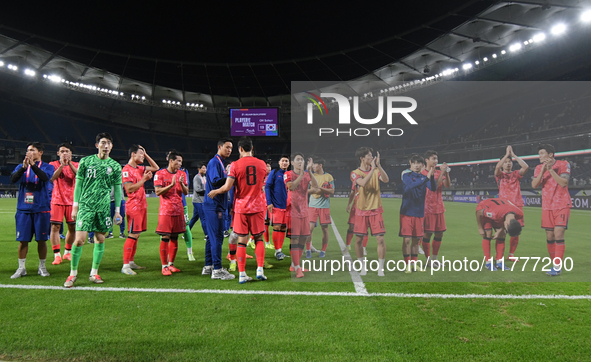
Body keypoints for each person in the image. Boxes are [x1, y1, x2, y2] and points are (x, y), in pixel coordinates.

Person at [64, 133, 122, 287]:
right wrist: (75, 206)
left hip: (103, 207)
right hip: (86, 206)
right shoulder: (86, 161)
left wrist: (117, 211)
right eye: (103, 142)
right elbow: (78, 185)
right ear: (97, 145)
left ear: (111, 146)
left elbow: (117, 190)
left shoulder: (115, 166)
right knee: (80, 240)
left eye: (109, 143)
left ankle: (94, 272)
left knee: (101, 239)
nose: (106, 145)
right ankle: (72, 274)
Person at [208, 137, 268, 283]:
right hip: (258, 206)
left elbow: (228, 187)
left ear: (240, 149)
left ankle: (242, 274)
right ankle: (260, 269)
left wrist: (215, 192)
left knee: (242, 240)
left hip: (241, 207)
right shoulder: (262, 165)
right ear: (251, 149)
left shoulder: (235, 165)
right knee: (259, 238)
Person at [11, 142, 55, 279]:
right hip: (24, 209)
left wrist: (33, 166)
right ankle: (21, 268)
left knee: (41, 240)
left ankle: (42, 267)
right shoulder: (21, 167)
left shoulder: (48, 167)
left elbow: (44, 178)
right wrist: (24, 168)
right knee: (23, 240)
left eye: (32, 150)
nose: (28, 152)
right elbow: (13, 179)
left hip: (41, 208)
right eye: (27, 150)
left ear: (40, 152)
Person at [532, 144, 571, 276]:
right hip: (547, 206)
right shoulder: (538, 168)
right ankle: (554, 262)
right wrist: (543, 170)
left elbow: (564, 183)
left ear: (550, 155)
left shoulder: (563, 164)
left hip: (561, 204)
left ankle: (557, 266)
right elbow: (534, 185)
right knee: (550, 236)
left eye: (542, 153)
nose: (540, 156)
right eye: (539, 154)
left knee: (558, 234)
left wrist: (551, 170)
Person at [120, 144, 159, 275]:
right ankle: (125, 265)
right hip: (134, 206)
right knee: (133, 235)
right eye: (140, 154)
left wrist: (146, 154)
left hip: (142, 205)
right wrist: (144, 179)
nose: (142, 157)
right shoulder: (126, 170)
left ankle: (131, 262)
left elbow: (156, 167)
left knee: (137, 235)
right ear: (133, 154)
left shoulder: (139, 168)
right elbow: (129, 189)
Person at [351, 147, 389, 276]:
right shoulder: (355, 173)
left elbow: (386, 180)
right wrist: (373, 169)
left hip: (376, 209)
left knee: (380, 239)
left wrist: (378, 166)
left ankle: (380, 268)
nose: (372, 158)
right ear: (362, 158)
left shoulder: (377, 170)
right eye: (369, 156)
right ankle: (362, 267)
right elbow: (362, 183)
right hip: (361, 210)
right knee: (358, 240)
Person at [202, 138, 235, 280]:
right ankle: (217, 269)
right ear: (220, 146)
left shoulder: (219, 162)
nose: (229, 150)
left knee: (211, 237)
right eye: (227, 147)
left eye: (231, 148)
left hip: (214, 204)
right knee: (217, 236)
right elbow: (215, 181)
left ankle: (208, 266)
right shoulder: (215, 162)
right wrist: (231, 176)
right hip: (215, 205)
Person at [154, 150, 188, 276]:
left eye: (181, 161)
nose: (180, 163)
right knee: (165, 237)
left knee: (175, 237)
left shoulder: (182, 174)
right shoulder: (160, 174)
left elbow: (186, 191)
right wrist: (171, 185)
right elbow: (158, 192)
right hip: (166, 211)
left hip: (178, 210)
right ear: (171, 161)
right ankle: (164, 266)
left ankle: (171, 264)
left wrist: (180, 184)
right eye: (178, 161)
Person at [400, 154, 436, 273]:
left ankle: (414, 264)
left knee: (416, 240)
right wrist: (426, 178)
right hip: (407, 212)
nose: (416, 165)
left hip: (419, 213)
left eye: (418, 163)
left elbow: (433, 188)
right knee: (407, 240)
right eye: (414, 163)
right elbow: (412, 185)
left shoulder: (424, 177)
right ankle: (407, 265)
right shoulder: (406, 176)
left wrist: (431, 177)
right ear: (410, 163)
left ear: (422, 165)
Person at [285, 153, 318, 278]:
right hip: (293, 213)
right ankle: (297, 268)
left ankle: (295, 264)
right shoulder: (288, 174)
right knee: (294, 239)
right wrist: (303, 174)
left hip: (304, 212)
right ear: (292, 163)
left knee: (303, 239)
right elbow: (291, 186)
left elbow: (316, 186)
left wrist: (309, 171)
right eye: (298, 159)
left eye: (302, 160)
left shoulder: (306, 174)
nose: (300, 161)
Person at [494, 145, 529, 262]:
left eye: (510, 162)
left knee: (515, 232)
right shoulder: (500, 175)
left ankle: (511, 254)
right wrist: (506, 155)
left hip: (517, 206)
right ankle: (499, 256)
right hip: (503, 207)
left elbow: (525, 166)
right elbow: (498, 167)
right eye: (506, 162)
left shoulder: (516, 174)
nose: (508, 164)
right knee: (502, 231)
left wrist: (513, 155)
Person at [49, 143, 78, 265]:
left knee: (72, 227)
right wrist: (61, 166)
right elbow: (51, 178)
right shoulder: (53, 165)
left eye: (67, 151)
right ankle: (57, 255)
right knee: (55, 227)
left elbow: (79, 176)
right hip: (57, 200)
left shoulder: (76, 165)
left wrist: (69, 163)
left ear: (71, 153)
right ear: (58, 153)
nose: (64, 153)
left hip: (72, 201)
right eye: (62, 151)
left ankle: (67, 252)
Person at [475, 198, 524, 271]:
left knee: (502, 234)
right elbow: (478, 212)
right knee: (488, 233)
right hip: (485, 207)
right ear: (506, 224)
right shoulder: (493, 213)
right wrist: (480, 228)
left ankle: (499, 262)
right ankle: (488, 263)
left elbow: (506, 220)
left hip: (501, 211)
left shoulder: (519, 214)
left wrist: (500, 231)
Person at [420, 150, 450, 266]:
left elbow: (447, 185)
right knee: (427, 234)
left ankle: (435, 259)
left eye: (436, 159)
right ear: (426, 160)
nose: (436, 161)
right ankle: (428, 261)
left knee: (439, 234)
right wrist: (442, 173)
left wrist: (446, 174)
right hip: (427, 208)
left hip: (439, 207)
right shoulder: (423, 173)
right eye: (433, 158)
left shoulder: (439, 172)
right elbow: (434, 186)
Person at [306, 157, 334, 258]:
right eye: (312, 165)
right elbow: (309, 190)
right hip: (312, 206)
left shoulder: (329, 177)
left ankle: (323, 250)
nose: (313, 166)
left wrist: (320, 188)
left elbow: (332, 191)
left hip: (324, 207)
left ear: (320, 165)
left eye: (315, 164)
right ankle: (308, 249)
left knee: (325, 229)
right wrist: (315, 190)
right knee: (309, 229)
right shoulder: (310, 176)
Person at [265, 155, 290, 260]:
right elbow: (267, 186)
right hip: (276, 205)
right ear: (279, 163)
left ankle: (279, 250)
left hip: (288, 207)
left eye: (286, 161)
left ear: (289, 163)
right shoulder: (275, 173)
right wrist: (269, 202)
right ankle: (277, 251)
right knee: (276, 227)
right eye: (282, 161)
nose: (284, 163)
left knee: (283, 228)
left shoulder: (290, 174)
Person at [189, 163, 208, 242]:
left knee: (195, 218)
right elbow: (197, 189)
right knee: (203, 218)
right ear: (199, 169)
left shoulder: (204, 177)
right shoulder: (197, 177)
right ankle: (207, 235)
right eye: (203, 168)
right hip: (198, 201)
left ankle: (186, 233)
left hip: (201, 200)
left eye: (205, 168)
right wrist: (207, 192)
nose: (204, 170)